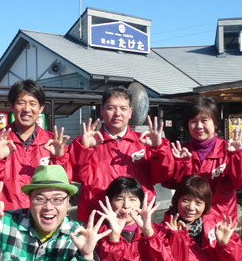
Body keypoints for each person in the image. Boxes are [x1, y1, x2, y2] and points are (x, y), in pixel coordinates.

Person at [66, 86, 173, 223]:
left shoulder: (145, 142)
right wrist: (84, 149)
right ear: (102, 110)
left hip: (137, 217)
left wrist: (159, 149)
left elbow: (163, 175)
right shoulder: (86, 143)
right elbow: (76, 176)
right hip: (99, 216)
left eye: (123, 109)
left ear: (130, 112)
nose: (117, 113)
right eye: (111, 108)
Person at [0, 79, 69, 211]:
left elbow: (65, 185)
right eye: (21, 103)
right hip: (3, 216)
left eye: (33, 103)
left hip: (42, 216)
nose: (27, 109)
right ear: (11, 105)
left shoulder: (53, 142)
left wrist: (59, 159)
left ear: (41, 108)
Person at [163, 95, 242, 222]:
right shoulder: (181, 150)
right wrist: (181, 163)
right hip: (187, 220)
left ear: (215, 124)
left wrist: (237, 155)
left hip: (220, 223)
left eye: (204, 120)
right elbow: (168, 183)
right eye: (193, 121)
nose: (199, 126)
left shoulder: (229, 150)